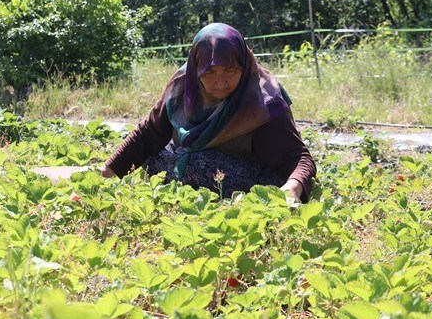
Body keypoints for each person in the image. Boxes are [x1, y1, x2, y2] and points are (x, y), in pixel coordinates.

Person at [100, 23, 316, 201]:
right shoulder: (182, 87)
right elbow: (148, 134)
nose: (221, 83)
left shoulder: (263, 101)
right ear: (196, 70)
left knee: (199, 163)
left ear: (244, 67)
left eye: (231, 71)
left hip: (245, 177)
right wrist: (106, 174)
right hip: (191, 162)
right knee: (152, 154)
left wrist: (292, 187)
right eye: (210, 73)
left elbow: (298, 157)